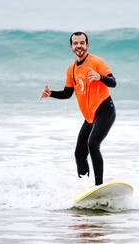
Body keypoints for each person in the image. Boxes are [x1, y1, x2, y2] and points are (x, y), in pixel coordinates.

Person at [40, 31, 117, 186]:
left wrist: (100, 77)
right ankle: (85, 187)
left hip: (105, 109)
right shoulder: (71, 69)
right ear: (71, 47)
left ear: (87, 45)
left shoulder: (96, 62)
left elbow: (113, 82)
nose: (79, 46)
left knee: (93, 143)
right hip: (90, 116)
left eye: (82, 43)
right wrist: (51, 94)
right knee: (79, 154)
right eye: (75, 43)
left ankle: (99, 186)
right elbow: (68, 93)